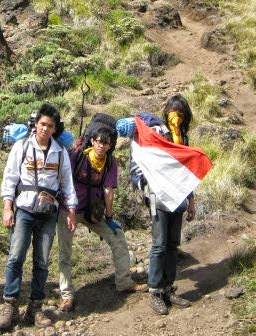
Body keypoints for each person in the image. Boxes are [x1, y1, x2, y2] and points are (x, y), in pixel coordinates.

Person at [0, 103, 78, 331]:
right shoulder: (22, 147)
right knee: (15, 257)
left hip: (48, 213)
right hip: (23, 209)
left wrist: (71, 211)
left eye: (50, 125)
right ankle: (10, 305)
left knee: (41, 261)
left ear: (55, 129)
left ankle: (35, 307)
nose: (45, 129)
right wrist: (7, 207)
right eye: (42, 124)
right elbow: (10, 178)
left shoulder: (60, 152)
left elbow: (67, 184)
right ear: (36, 124)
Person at [57, 116, 147, 313]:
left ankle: (123, 282)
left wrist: (108, 217)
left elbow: (108, 190)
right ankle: (66, 294)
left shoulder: (110, 162)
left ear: (110, 145)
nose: (101, 146)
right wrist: (67, 207)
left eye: (106, 143)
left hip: (92, 210)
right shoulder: (77, 156)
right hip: (68, 209)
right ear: (92, 140)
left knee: (118, 237)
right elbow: (64, 181)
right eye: (98, 141)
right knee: (65, 251)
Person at [129, 94, 196, 316]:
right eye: (173, 112)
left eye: (180, 113)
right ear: (165, 112)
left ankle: (168, 288)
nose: (176, 117)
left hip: (177, 198)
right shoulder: (155, 133)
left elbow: (185, 171)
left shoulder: (183, 138)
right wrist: (144, 184)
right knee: (159, 244)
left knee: (172, 244)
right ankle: (155, 291)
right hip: (158, 196)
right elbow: (139, 161)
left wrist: (191, 200)